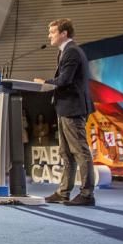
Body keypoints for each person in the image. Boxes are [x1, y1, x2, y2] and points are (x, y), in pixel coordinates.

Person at [35, 18, 95, 206]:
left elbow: (65, 80)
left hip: (73, 108)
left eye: (52, 32)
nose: (49, 36)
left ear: (64, 33)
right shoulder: (65, 52)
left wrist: (45, 83)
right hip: (65, 108)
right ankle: (63, 192)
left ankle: (87, 194)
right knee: (66, 153)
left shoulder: (72, 52)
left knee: (80, 151)